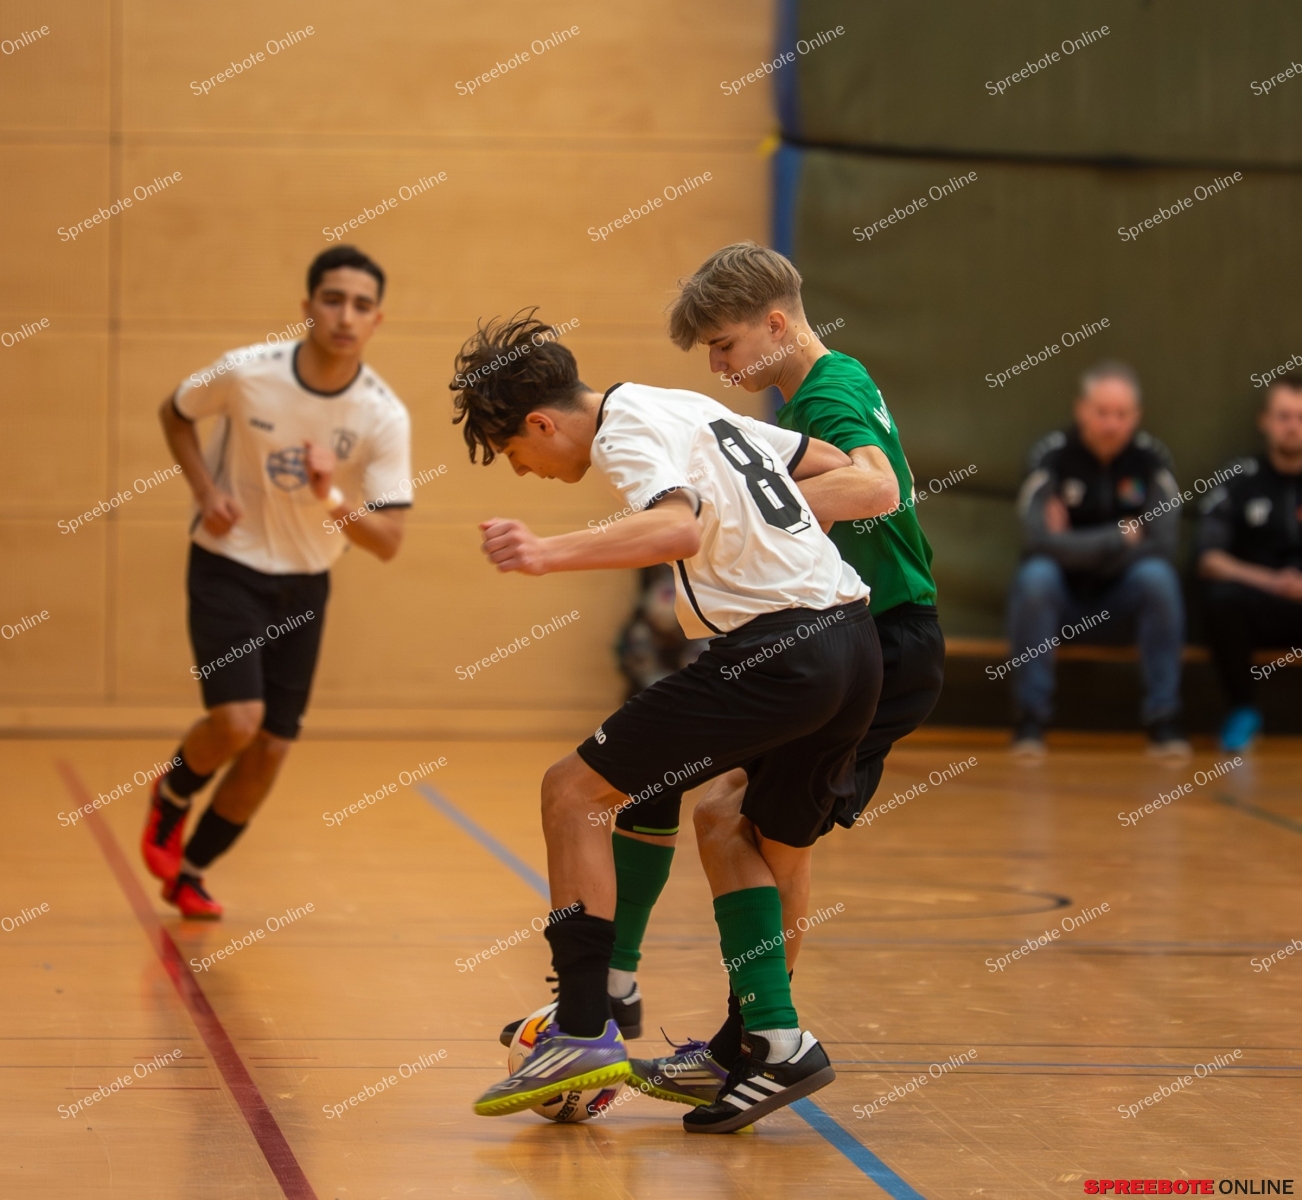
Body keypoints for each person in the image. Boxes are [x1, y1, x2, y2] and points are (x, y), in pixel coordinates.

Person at [454, 311, 887, 1133]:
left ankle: (584, 1026)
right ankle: (773, 1039)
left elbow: (677, 527)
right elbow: (829, 463)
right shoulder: (686, 406)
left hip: (781, 653)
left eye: (517, 455)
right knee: (720, 821)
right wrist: (766, 530)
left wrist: (546, 552)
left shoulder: (624, 431)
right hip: (854, 644)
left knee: (571, 791)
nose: (528, 472)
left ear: (542, 423)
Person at [591, 241, 945, 1108]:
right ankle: (751, 1038)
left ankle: (760, 1043)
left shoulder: (827, 394)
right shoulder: (826, 386)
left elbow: (876, 486)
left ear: (776, 324)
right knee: (735, 822)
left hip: (880, 642)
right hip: (852, 638)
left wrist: (755, 518)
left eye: (725, 344)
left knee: (750, 832)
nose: (717, 366)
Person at [140, 246, 411, 918]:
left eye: (361, 305)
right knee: (238, 720)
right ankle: (171, 796)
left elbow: (388, 541)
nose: (345, 316)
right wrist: (205, 491)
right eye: (332, 299)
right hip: (227, 565)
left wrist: (331, 495)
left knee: (272, 747)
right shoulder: (247, 372)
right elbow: (174, 412)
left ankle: (192, 871)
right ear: (307, 307)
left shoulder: (383, 415)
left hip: (306, 585)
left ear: (377, 320)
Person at [1007, 361, 1189, 759]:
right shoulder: (1050, 457)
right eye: (1102, 412)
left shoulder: (1152, 461)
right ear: (1081, 410)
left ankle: (1164, 720)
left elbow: (1163, 543)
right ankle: (1030, 721)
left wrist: (1070, 544)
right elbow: (1037, 541)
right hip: (1063, 595)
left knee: (1158, 578)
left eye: (1122, 414)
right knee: (1036, 578)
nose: (1111, 424)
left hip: (1122, 595)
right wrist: (1119, 537)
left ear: (1136, 416)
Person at [1198, 373, 1302, 751]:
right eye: (1284, 416)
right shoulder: (1239, 480)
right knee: (1221, 600)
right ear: (1265, 421)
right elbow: (1209, 558)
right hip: (1260, 602)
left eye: (1301, 417)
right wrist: (1272, 581)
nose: (1292, 427)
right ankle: (1242, 710)